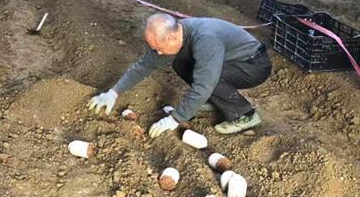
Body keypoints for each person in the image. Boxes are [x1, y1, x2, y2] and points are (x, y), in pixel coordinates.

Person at [88, 13, 272, 136]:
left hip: (254, 65)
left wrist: (175, 119)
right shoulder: (178, 34)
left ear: (170, 38)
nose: (158, 53)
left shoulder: (205, 39)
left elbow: (204, 84)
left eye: (158, 48)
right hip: (231, 61)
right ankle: (216, 101)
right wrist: (114, 92)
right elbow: (144, 65)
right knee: (181, 63)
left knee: (208, 78)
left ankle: (245, 115)